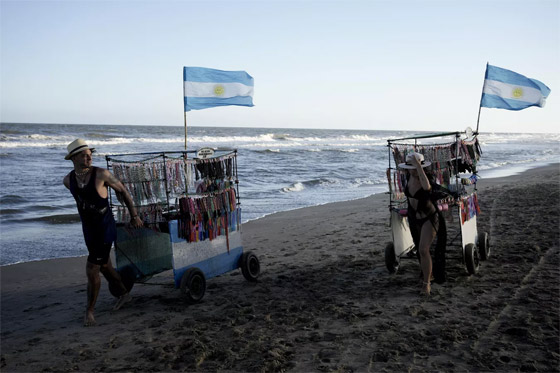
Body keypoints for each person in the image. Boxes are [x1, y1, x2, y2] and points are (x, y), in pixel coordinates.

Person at [63, 139, 143, 326]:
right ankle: (124, 294)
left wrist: (134, 216)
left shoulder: (101, 174)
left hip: (105, 227)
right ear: (73, 158)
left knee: (92, 269)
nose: (88, 157)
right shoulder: (68, 181)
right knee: (105, 266)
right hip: (89, 229)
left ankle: (89, 311)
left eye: (90, 154)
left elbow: (123, 191)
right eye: (83, 155)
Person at [398, 152, 440, 296]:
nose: (413, 171)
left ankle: (426, 284)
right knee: (420, 250)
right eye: (411, 168)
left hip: (429, 217)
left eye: (415, 168)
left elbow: (427, 188)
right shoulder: (408, 177)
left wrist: (418, 167)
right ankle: (428, 274)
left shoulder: (427, 177)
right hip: (414, 218)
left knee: (423, 249)